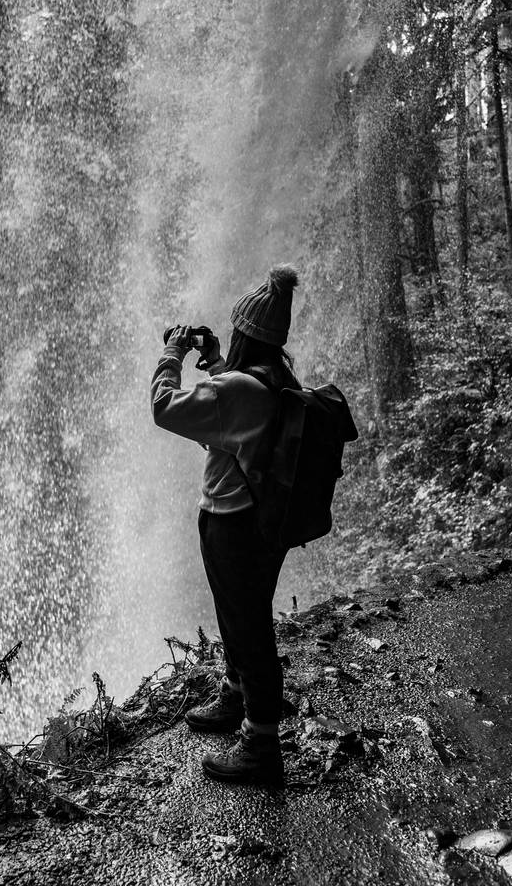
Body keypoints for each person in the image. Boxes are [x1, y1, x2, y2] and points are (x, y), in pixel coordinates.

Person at [150, 264, 301, 786]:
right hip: (260, 522)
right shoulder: (276, 380)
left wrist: (172, 355)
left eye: (234, 336)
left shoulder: (240, 388)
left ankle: (261, 746)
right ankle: (238, 695)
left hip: (232, 522)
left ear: (245, 336)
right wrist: (214, 360)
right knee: (241, 612)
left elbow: (164, 407)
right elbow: (234, 399)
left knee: (248, 625)